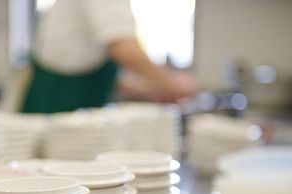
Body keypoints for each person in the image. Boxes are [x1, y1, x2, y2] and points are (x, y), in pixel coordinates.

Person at [21, 0, 197, 114]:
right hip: (58, 105)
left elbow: (101, 70)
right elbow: (122, 47)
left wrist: (149, 88)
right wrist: (172, 84)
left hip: (75, 102)